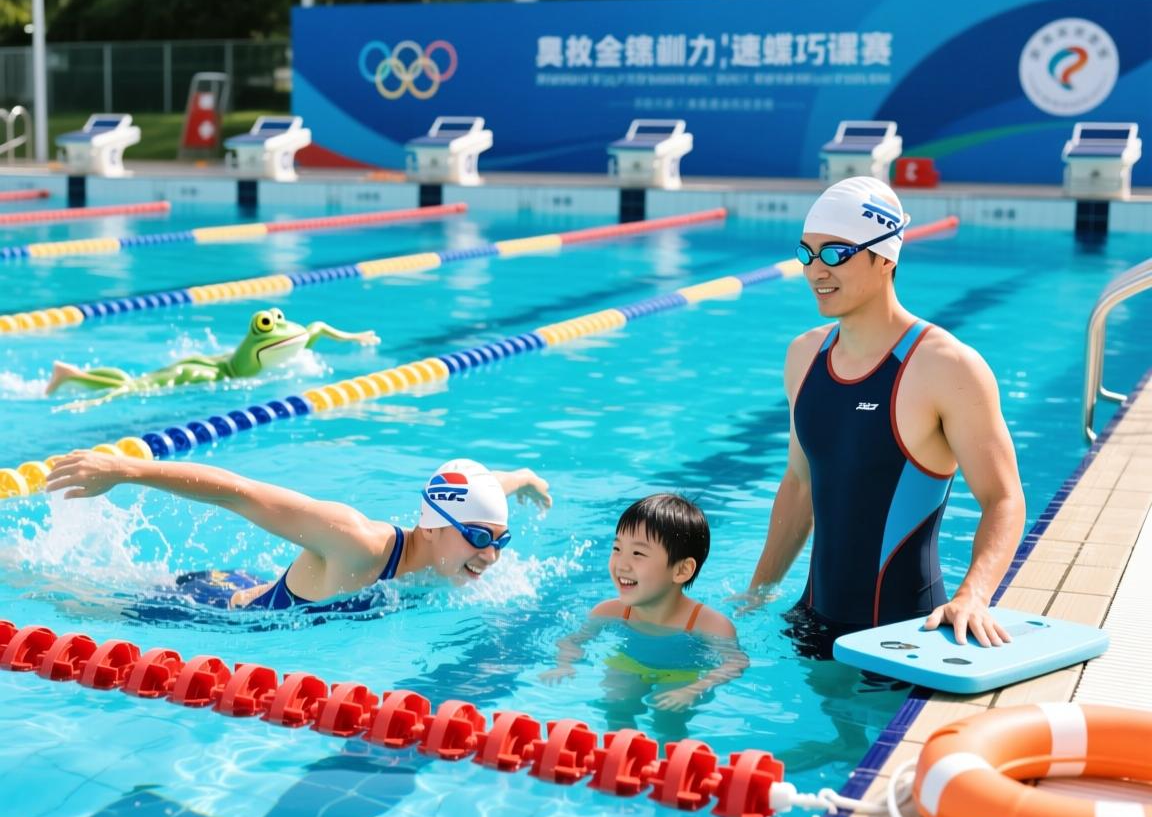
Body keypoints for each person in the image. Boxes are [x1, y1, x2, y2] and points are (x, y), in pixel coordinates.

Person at [743, 176, 1026, 654]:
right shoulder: (804, 357)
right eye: (807, 253)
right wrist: (757, 594)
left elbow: (1004, 499)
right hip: (811, 625)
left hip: (905, 637)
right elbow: (799, 485)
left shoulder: (946, 366)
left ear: (885, 257)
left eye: (835, 253)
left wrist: (973, 596)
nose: (816, 270)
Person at [44, 452, 551, 613]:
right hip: (207, 611)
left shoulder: (449, 540)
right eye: (482, 540)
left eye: (502, 541)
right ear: (435, 527)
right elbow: (239, 493)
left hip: (247, 581)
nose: (492, 557)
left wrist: (522, 479)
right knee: (61, 595)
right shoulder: (357, 542)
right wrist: (126, 469)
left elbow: (481, 496)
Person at [541, 494, 747, 719]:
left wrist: (693, 690)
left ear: (681, 570)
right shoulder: (609, 612)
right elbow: (572, 640)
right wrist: (565, 664)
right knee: (616, 708)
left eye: (638, 553)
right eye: (617, 549)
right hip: (629, 664)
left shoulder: (709, 624)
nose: (621, 564)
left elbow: (735, 663)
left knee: (668, 719)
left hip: (681, 675)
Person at [45, 307, 379, 407]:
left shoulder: (294, 341)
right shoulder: (212, 375)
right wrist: (98, 402)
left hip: (224, 363)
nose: (278, 328)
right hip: (215, 370)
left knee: (138, 382)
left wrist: (354, 336)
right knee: (138, 385)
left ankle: (71, 374)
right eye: (266, 324)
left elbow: (316, 324)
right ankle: (74, 377)